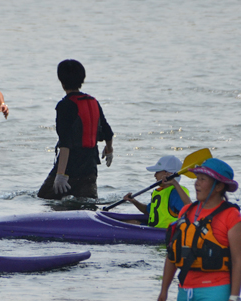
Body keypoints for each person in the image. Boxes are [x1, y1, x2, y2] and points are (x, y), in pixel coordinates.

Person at [158, 158, 241, 301]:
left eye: (203, 179)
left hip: (216, 293)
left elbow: (238, 260)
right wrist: (164, 290)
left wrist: (234, 298)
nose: (196, 183)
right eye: (197, 178)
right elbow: (172, 255)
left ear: (219, 186)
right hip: (186, 293)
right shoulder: (186, 212)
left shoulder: (231, 215)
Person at [37, 59, 114, 200]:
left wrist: (60, 175)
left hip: (69, 169)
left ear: (61, 80)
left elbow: (65, 143)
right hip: (90, 169)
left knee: (44, 198)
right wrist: (109, 149)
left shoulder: (65, 105)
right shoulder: (93, 102)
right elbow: (108, 132)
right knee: (88, 204)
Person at [123, 155, 191, 228]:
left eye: (157, 172)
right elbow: (148, 211)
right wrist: (134, 201)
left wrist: (174, 183)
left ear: (168, 174)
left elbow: (189, 210)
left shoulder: (175, 192)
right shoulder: (160, 191)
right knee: (132, 222)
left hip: (165, 233)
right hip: (153, 229)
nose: (154, 175)